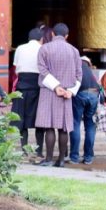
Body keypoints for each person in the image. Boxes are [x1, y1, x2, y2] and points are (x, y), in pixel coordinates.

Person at [35, 23, 82, 167]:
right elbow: (79, 74)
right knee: (63, 128)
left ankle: (49, 159)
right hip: (66, 93)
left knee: (49, 127)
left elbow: (42, 69)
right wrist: (70, 91)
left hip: (49, 91)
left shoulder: (44, 48)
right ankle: (61, 160)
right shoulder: (74, 51)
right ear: (67, 36)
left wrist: (55, 86)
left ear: (53, 34)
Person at [12, 27, 45, 160]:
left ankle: (24, 149)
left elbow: (16, 68)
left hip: (22, 86)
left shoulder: (20, 48)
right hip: (37, 86)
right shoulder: (42, 49)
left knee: (22, 119)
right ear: (41, 39)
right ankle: (39, 151)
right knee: (40, 120)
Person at [68, 56, 100, 164]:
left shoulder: (75, 66)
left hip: (80, 94)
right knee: (90, 125)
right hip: (94, 94)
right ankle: (88, 157)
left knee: (75, 124)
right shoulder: (90, 71)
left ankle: (74, 157)